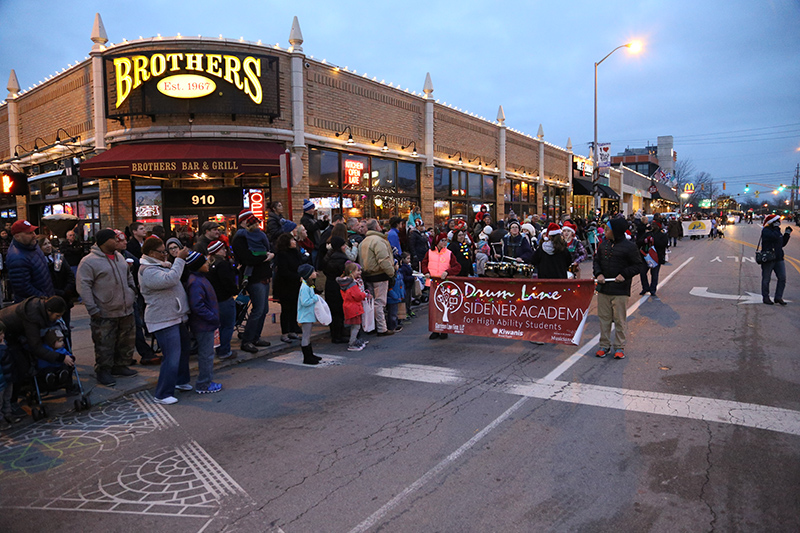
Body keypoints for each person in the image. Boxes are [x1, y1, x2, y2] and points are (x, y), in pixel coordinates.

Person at [77, 229, 138, 387]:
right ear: (105, 241)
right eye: (114, 239)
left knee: (125, 340)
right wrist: (92, 308)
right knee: (105, 343)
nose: (117, 242)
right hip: (104, 310)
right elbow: (84, 287)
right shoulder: (89, 261)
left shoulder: (119, 257)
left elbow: (128, 275)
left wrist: (132, 292)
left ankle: (120, 365)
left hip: (125, 308)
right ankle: (103, 370)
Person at [138, 236, 192, 404]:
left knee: (183, 349)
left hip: (175, 315)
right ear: (152, 253)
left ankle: (181, 380)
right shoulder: (147, 271)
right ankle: (162, 393)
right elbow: (171, 279)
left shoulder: (159, 265)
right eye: (162, 252)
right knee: (172, 355)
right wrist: (179, 260)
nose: (166, 255)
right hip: (163, 319)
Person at [0, 296, 73, 418]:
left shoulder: (40, 310)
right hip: (6, 335)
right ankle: (13, 402)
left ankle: (18, 396)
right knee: (19, 366)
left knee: (22, 362)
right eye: (57, 316)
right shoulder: (33, 316)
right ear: (49, 311)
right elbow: (36, 347)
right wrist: (60, 357)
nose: (58, 319)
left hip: (14, 333)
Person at [592, 217, 644, 360]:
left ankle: (619, 347)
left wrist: (624, 274)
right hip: (604, 289)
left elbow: (638, 266)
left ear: (616, 231)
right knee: (604, 319)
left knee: (620, 320)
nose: (605, 231)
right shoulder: (603, 245)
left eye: (608, 229)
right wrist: (599, 273)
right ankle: (604, 345)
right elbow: (596, 262)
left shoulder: (630, 247)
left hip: (620, 290)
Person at [232, 210, 274, 352]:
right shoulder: (240, 238)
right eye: (252, 221)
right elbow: (247, 258)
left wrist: (269, 255)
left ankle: (255, 337)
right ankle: (247, 340)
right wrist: (264, 257)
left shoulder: (257, 235)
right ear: (243, 222)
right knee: (258, 309)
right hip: (254, 278)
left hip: (263, 275)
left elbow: (268, 247)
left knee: (263, 310)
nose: (255, 224)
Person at [184, 251, 222, 393]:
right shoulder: (196, 282)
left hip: (206, 323)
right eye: (204, 262)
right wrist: (212, 317)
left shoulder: (200, 279)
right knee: (206, 354)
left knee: (207, 353)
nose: (207, 264)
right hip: (204, 324)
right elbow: (197, 306)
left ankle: (206, 381)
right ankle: (204, 383)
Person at [358, 219, 396, 337]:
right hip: (379, 275)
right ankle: (382, 328)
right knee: (379, 303)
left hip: (368, 275)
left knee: (371, 302)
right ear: (376, 227)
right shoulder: (378, 241)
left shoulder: (363, 242)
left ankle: (371, 326)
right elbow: (383, 260)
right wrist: (391, 272)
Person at [421, 233, 461, 339]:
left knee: (444, 308)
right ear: (437, 241)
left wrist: (448, 272)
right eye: (442, 240)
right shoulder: (429, 252)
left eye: (446, 240)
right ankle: (435, 329)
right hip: (432, 284)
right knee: (433, 308)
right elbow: (424, 264)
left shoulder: (449, 253)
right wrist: (426, 272)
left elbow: (457, 266)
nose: (444, 242)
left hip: (444, 284)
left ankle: (444, 330)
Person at [6, 219, 55, 303]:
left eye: (33, 232)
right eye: (29, 233)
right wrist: (44, 298)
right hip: (34, 306)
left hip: (45, 299)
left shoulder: (32, 245)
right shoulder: (17, 258)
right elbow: (23, 288)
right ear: (17, 236)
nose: (34, 235)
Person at [206, 239, 238, 360]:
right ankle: (224, 351)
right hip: (225, 299)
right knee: (227, 326)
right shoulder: (222, 265)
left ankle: (219, 348)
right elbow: (227, 282)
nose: (225, 251)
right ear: (217, 251)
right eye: (223, 249)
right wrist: (235, 290)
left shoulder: (209, 265)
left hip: (214, 300)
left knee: (219, 327)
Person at [38, 235, 77, 328]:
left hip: (64, 296)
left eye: (48, 243)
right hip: (50, 298)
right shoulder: (39, 261)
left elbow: (69, 274)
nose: (48, 246)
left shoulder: (57, 257)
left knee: (66, 327)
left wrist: (67, 290)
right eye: (44, 244)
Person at [273, 232, 304, 344]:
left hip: (295, 284)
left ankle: (292, 329)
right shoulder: (282, 255)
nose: (294, 242)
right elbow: (283, 271)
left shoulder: (295, 253)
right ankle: (285, 332)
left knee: (294, 308)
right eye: (292, 240)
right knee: (286, 309)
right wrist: (297, 276)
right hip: (285, 285)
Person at [321, 236, 350, 344]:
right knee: (339, 312)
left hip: (330, 284)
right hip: (339, 286)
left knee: (333, 311)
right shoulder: (342, 259)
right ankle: (338, 335)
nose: (345, 247)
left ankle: (335, 333)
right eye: (343, 245)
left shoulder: (327, 257)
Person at [760, 214, 792, 305]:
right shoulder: (766, 230)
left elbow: (781, 244)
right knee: (766, 279)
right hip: (769, 258)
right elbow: (774, 237)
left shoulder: (777, 231)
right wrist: (777, 229)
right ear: (772, 222)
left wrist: (787, 234)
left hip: (778, 258)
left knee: (782, 278)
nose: (779, 223)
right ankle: (766, 297)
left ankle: (778, 297)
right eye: (777, 221)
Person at [338, 261, 368, 351]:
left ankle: (354, 340)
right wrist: (364, 294)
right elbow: (357, 295)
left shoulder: (344, 282)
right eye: (356, 271)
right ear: (352, 271)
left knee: (354, 325)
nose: (358, 272)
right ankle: (352, 343)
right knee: (356, 326)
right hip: (355, 306)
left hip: (348, 305)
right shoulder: (352, 283)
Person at [297, 264, 322, 365]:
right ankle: (307, 357)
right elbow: (305, 302)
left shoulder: (309, 285)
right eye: (313, 272)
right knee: (306, 336)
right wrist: (315, 298)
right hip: (305, 316)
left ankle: (310, 354)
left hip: (308, 315)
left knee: (308, 335)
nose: (315, 273)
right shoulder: (304, 287)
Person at [639, 221, 669, 298]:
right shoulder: (647, 234)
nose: (652, 226)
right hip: (646, 256)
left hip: (656, 257)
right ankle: (645, 288)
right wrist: (645, 241)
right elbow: (639, 242)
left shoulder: (662, 235)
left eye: (654, 225)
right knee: (642, 272)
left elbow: (663, 244)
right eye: (652, 224)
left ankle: (653, 289)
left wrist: (653, 241)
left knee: (654, 274)